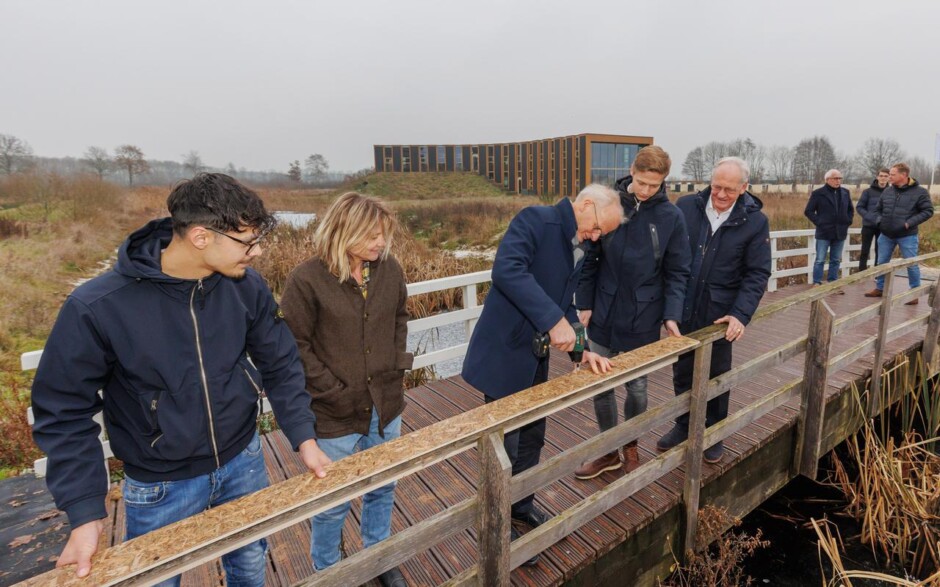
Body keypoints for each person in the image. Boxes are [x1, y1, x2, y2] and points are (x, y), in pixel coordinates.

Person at [31, 173, 330, 586]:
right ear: (201, 237)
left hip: (243, 461)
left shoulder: (247, 288)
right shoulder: (97, 306)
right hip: (160, 484)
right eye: (248, 241)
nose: (258, 252)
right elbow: (63, 412)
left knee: (249, 568)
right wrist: (85, 513)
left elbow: (280, 361)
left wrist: (303, 436)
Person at [461, 184, 621, 565]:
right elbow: (507, 271)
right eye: (597, 228)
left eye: (603, 234)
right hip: (504, 355)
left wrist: (584, 351)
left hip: (534, 357)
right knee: (504, 448)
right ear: (585, 205)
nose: (597, 237)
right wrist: (553, 322)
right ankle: (497, 529)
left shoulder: (578, 244)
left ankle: (521, 508)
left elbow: (564, 303)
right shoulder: (536, 219)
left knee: (533, 437)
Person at [280, 192, 412, 587]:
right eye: (371, 235)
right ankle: (328, 570)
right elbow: (295, 345)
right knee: (331, 501)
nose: (380, 243)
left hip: (385, 405)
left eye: (383, 235)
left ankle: (377, 556)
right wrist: (331, 389)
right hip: (333, 413)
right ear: (343, 229)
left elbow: (399, 318)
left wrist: (396, 366)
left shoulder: (389, 269)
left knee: (382, 487)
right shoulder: (306, 280)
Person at [573, 146, 691, 480]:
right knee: (601, 384)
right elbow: (590, 257)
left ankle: (630, 444)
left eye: (653, 185)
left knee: (637, 388)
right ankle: (610, 449)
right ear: (632, 171)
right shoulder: (610, 204)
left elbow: (678, 271)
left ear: (663, 181)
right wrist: (585, 303)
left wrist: (671, 314)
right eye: (641, 182)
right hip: (604, 309)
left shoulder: (671, 218)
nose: (645, 190)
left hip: (644, 313)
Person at [656, 157, 771, 463]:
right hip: (683, 307)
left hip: (719, 312)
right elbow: (668, 259)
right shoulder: (685, 207)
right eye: (717, 186)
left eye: (729, 190)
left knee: (717, 375)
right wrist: (669, 309)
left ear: (744, 188)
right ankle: (683, 424)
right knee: (682, 371)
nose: (720, 194)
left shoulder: (755, 221)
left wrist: (740, 314)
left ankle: (714, 431)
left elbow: (757, 273)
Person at [865, 162, 935, 305]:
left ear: (903, 175)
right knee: (881, 262)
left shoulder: (920, 192)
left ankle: (914, 292)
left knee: (911, 263)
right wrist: (879, 221)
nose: (889, 177)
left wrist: (908, 223)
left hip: (907, 235)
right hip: (885, 234)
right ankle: (880, 288)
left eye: (892, 174)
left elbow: (928, 211)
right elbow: (877, 210)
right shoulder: (888, 191)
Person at [804, 169, 854, 287]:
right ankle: (817, 282)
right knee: (820, 259)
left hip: (840, 232)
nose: (838, 181)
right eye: (835, 178)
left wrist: (847, 221)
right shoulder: (818, 193)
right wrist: (820, 222)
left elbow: (850, 210)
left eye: (840, 178)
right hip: (824, 232)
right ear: (827, 180)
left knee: (836, 260)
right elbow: (808, 211)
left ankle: (833, 283)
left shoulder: (845, 192)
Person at [856, 169, 889, 271]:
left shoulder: (891, 192)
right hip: (868, 226)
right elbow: (860, 207)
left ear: (889, 178)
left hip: (882, 226)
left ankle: (877, 273)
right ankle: (861, 273)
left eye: (886, 176)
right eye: (881, 176)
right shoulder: (868, 192)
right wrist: (869, 217)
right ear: (877, 177)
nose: (883, 178)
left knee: (880, 251)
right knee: (865, 250)